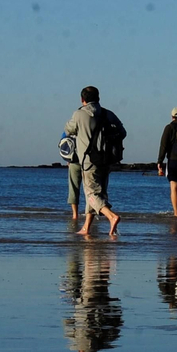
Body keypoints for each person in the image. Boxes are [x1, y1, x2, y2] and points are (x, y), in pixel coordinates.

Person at [63, 85, 124, 238]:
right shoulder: (108, 114)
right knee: (99, 192)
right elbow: (123, 132)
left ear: (82, 99)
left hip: (88, 160)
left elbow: (68, 129)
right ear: (98, 98)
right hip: (106, 160)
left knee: (91, 193)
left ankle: (111, 216)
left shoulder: (79, 115)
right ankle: (86, 227)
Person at [59, 131, 81, 220]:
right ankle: (91, 213)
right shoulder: (89, 124)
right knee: (90, 189)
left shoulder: (69, 127)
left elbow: (63, 140)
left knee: (73, 188)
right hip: (88, 161)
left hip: (73, 160)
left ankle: (75, 215)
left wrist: (68, 158)